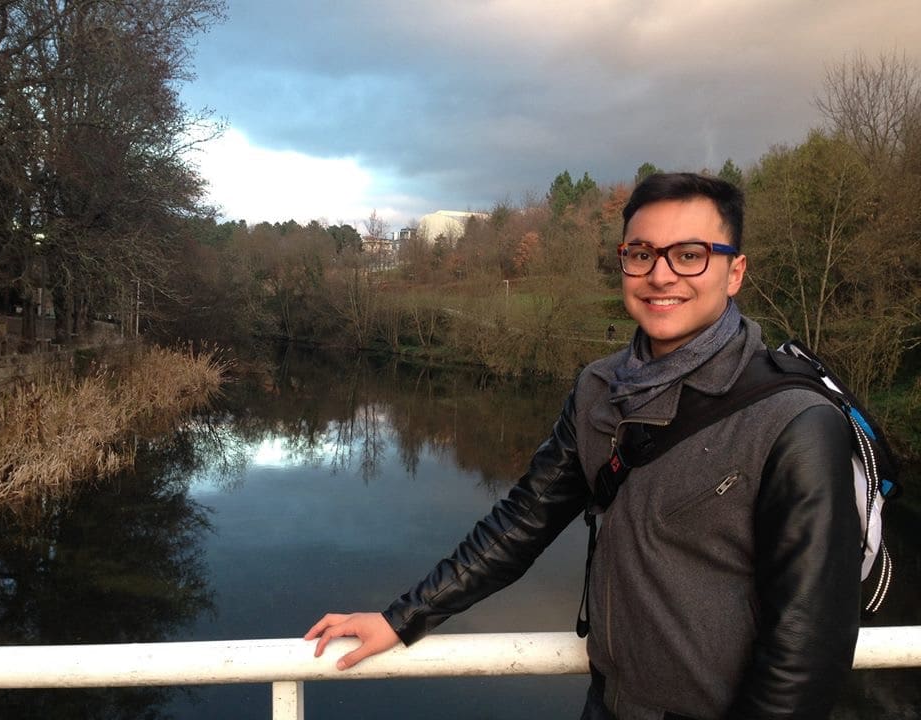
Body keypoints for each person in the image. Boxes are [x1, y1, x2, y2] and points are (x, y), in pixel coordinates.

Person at [305, 173, 861, 719]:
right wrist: (403, 617)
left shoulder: (794, 419)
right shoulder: (599, 390)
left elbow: (806, 647)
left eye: (689, 254)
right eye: (641, 254)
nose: (661, 275)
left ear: (734, 271)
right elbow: (522, 522)